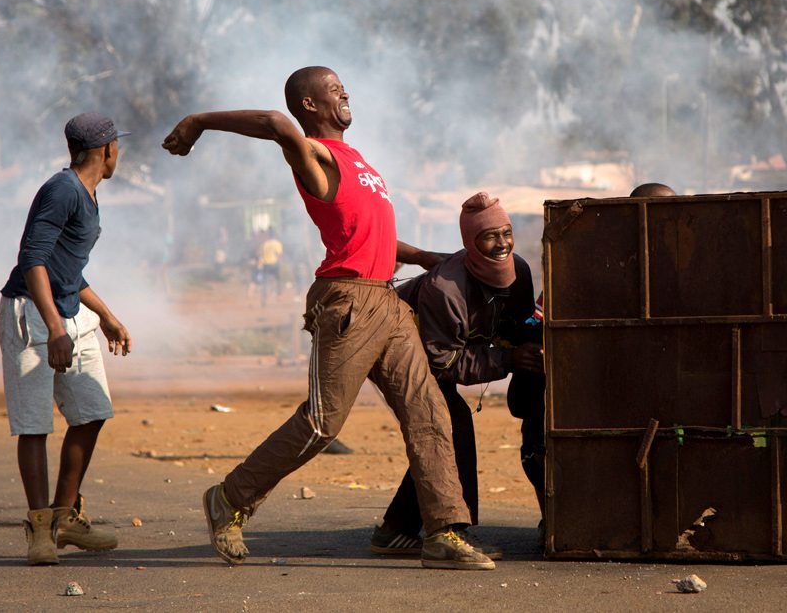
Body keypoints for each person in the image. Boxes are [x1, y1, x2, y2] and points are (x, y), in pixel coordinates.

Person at [162, 66, 493, 571]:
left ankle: (443, 532)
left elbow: (367, 232)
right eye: (333, 87)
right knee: (322, 423)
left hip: (386, 299)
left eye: (343, 85)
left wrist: (425, 256)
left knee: (429, 411)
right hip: (348, 303)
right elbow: (275, 122)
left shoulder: (357, 160)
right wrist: (199, 120)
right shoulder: (313, 157)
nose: (345, 91)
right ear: (310, 106)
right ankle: (229, 498)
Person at [371, 193, 543, 558]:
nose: (502, 244)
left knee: (439, 430)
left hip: (434, 352)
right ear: (470, 242)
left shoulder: (521, 271)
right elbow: (442, 362)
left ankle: (396, 529)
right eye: (490, 236)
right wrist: (508, 359)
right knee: (451, 422)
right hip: (395, 350)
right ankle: (456, 531)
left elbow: (519, 326)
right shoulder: (445, 288)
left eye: (507, 233)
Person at [0, 113, 134, 566]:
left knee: (92, 413)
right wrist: (55, 327)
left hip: (71, 315)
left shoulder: (89, 195)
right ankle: (40, 530)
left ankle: (64, 518)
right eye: (118, 146)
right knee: (34, 425)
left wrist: (107, 315)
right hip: (32, 317)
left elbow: (67, 268)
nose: (120, 154)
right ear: (106, 150)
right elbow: (32, 259)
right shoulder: (62, 189)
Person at [256, 229, 283, 306]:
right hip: (274, 264)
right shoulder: (277, 243)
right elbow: (280, 255)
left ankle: (264, 299)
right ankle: (279, 295)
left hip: (266, 265)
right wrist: (280, 264)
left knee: (265, 283)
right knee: (278, 279)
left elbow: (259, 254)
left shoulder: (264, 244)